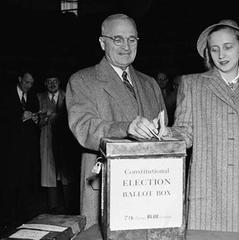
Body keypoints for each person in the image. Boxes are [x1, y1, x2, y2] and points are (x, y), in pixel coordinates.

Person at [153, 19, 239, 233]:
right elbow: (185, 133)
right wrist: (166, 132)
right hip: (213, 185)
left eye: (228, 47)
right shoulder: (193, 84)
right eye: (214, 49)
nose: (221, 55)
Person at [65, 13, 167, 229]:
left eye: (132, 39)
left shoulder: (150, 84)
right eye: (117, 39)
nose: (126, 46)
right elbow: (84, 128)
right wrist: (126, 129)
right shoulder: (82, 80)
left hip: (151, 190)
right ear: (102, 43)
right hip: (106, 188)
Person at [0, 67, 41, 227]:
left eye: (31, 83)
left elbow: (35, 122)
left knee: (25, 182)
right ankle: (6, 219)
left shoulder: (32, 97)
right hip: (9, 149)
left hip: (27, 150)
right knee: (9, 183)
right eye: (26, 82)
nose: (28, 86)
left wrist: (36, 121)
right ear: (19, 79)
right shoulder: (5, 95)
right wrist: (19, 117)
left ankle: (22, 218)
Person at [38, 72, 80, 214]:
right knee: (49, 173)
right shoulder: (39, 97)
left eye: (54, 81)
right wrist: (42, 119)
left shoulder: (68, 95)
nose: (52, 84)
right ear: (45, 83)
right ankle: (53, 208)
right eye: (49, 82)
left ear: (59, 82)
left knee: (67, 173)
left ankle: (70, 207)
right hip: (47, 141)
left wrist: (58, 117)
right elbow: (35, 121)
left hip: (65, 141)